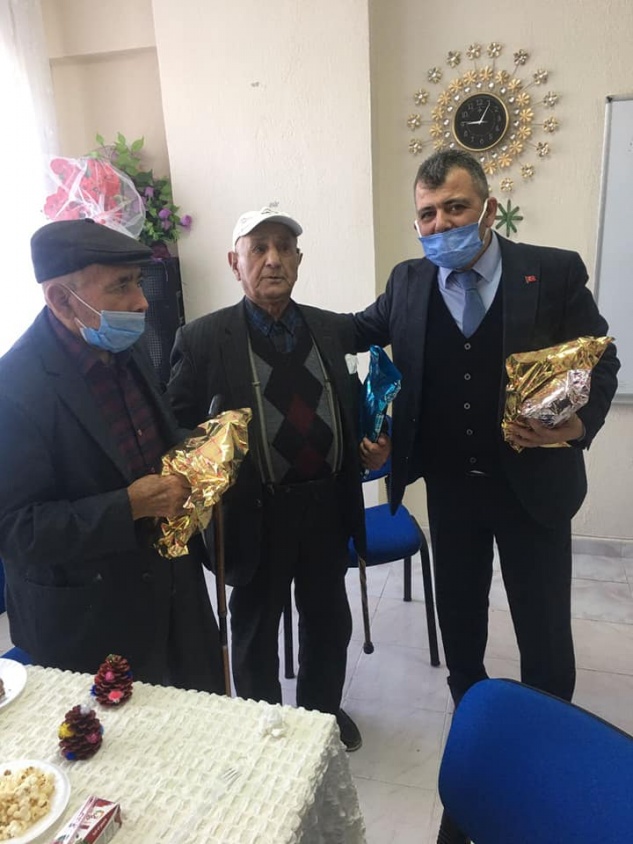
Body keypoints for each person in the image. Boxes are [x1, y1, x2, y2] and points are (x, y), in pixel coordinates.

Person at [353, 149, 619, 840]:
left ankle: (548, 733)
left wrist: (575, 427)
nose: (441, 224)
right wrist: (272, 309)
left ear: (488, 209)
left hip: (534, 487)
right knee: (460, 614)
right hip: (451, 488)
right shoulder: (408, 281)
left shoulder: (551, 271)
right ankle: (471, 715)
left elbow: (602, 359)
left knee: (542, 624)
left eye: (455, 208)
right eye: (427, 214)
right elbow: (352, 329)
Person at [168, 207, 388, 751]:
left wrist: (372, 441)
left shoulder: (331, 328)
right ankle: (264, 732)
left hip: (326, 508)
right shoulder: (201, 339)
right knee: (254, 631)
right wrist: (206, 460)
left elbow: (356, 401)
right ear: (234, 262)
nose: (273, 259)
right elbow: (174, 428)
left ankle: (320, 718)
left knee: (328, 622)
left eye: (285, 248)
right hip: (253, 515)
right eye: (259, 248)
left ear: (299, 259)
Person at [0, 219, 223, 693]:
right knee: (125, 738)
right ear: (61, 299)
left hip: (174, 588)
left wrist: (201, 453)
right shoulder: (13, 388)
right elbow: (17, 530)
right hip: (90, 619)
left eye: (138, 282)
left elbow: (155, 437)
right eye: (121, 285)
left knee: (201, 717)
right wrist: (128, 506)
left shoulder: (125, 346)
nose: (142, 302)